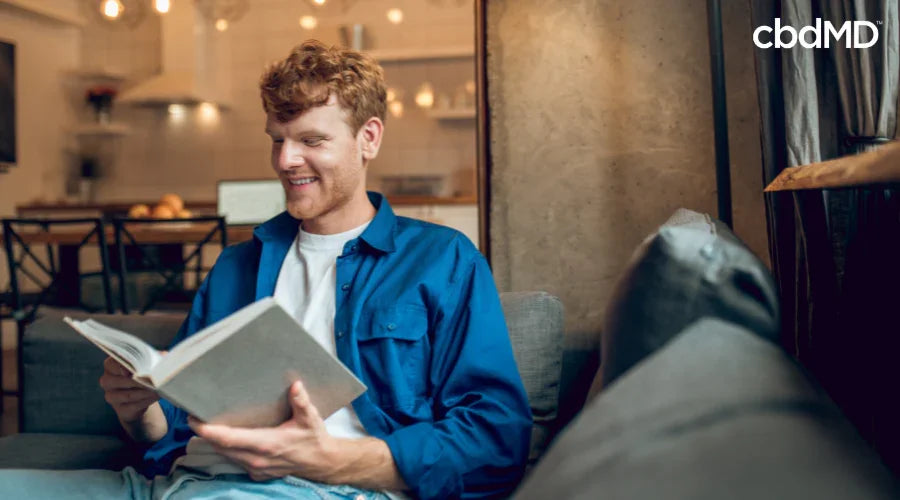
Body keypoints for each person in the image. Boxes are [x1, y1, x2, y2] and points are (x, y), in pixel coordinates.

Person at [0, 40, 531, 499]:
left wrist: (333, 460)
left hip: (321, 489)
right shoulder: (237, 264)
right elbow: (177, 430)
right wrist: (141, 411)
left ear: (369, 138)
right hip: (170, 484)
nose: (285, 161)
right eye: (277, 139)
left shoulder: (442, 260)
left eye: (311, 140)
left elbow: (495, 441)